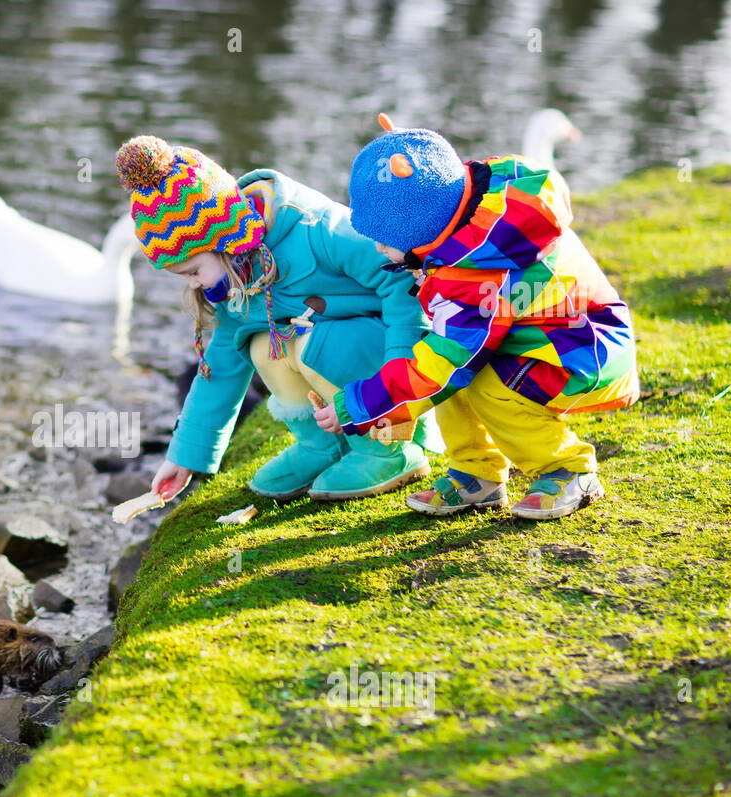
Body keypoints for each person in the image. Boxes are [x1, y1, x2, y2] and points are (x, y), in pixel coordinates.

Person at [314, 114, 638, 519]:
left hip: (585, 349)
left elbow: (442, 365)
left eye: (385, 239)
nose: (378, 249)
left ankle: (568, 468)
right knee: (456, 374)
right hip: (546, 338)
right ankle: (477, 474)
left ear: (422, 229)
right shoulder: (478, 211)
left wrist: (361, 404)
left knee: (475, 381)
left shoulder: (474, 272)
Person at [113, 134, 436, 503]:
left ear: (223, 238)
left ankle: (389, 450)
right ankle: (323, 447)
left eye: (192, 271)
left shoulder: (316, 229)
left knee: (316, 345)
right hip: (352, 375)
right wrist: (184, 457)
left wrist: (400, 372)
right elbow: (219, 367)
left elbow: (403, 280)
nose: (194, 284)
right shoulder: (237, 279)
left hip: (394, 371)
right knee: (262, 345)